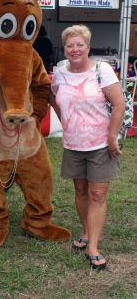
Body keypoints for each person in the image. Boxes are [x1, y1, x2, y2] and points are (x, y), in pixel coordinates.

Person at [49, 24, 125, 271]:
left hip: (100, 144)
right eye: (70, 45)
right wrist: (66, 122)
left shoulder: (101, 70)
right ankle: (85, 230)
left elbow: (119, 104)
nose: (75, 49)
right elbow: (53, 97)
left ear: (88, 47)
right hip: (73, 144)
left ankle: (93, 246)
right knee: (80, 191)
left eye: (80, 44)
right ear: (65, 48)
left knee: (97, 194)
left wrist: (112, 137)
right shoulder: (60, 73)